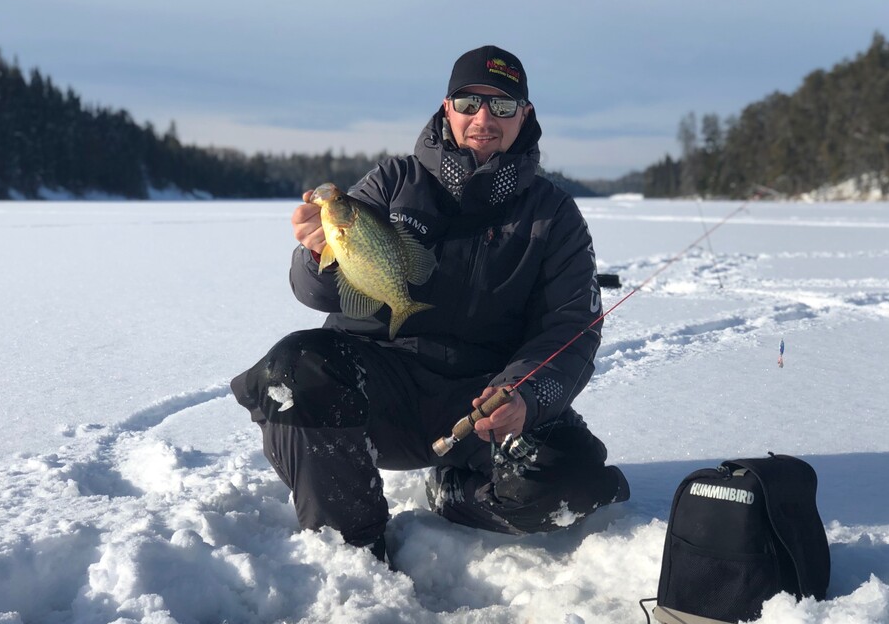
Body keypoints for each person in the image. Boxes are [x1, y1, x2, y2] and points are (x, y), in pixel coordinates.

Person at [231, 45, 629, 563]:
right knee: (291, 372)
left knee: (572, 479)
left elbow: (572, 328)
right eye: (468, 103)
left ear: (525, 115)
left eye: (503, 105)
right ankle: (354, 551)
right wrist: (314, 253)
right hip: (381, 386)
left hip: (482, 400)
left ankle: (454, 494)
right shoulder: (392, 184)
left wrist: (524, 394)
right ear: (447, 108)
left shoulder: (553, 215)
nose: (483, 119)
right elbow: (317, 292)